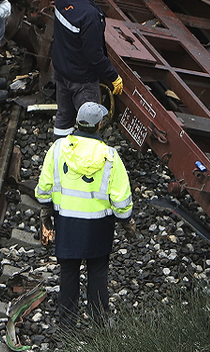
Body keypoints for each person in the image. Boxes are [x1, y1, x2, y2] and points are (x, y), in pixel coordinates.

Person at [35, 102, 135, 327]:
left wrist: (45, 210)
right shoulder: (110, 156)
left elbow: (44, 186)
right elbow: (120, 197)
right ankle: (99, 322)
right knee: (98, 272)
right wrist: (126, 220)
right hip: (98, 226)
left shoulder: (58, 148)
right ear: (99, 125)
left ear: (77, 122)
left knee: (68, 272)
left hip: (67, 224)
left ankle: (67, 324)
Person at [50, 0, 123, 137]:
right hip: (82, 79)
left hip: (62, 70)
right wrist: (113, 76)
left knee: (64, 115)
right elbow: (94, 55)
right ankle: (86, 159)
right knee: (89, 122)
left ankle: (59, 150)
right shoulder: (89, 15)